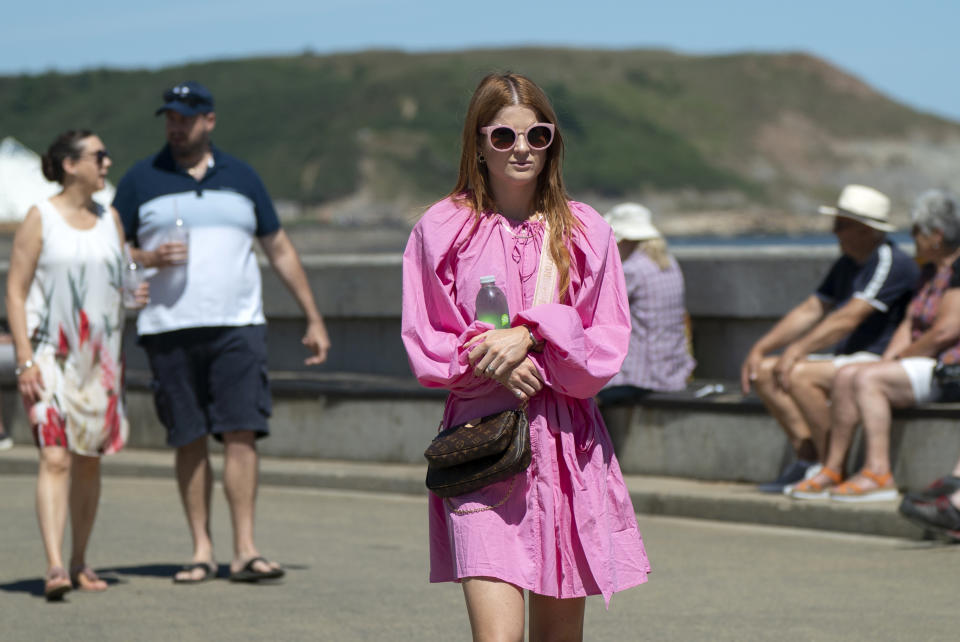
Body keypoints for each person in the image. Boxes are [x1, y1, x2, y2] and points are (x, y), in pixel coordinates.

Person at [402, 72, 650, 641]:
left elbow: (605, 342)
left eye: (537, 136)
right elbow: (426, 340)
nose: (521, 149)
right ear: (478, 143)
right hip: (484, 446)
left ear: (552, 142)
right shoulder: (441, 230)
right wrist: (491, 353)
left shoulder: (587, 230)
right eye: (503, 137)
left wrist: (531, 334)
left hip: (568, 452)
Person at [112, 81, 331, 584]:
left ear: (209, 120)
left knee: (241, 434)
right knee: (188, 437)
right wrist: (144, 259)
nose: (176, 125)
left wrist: (313, 317)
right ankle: (200, 550)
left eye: (186, 117)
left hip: (238, 325)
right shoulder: (140, 179)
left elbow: (279, 249)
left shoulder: (243, 177)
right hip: (169, 328)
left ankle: (246, 549)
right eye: (169, 116)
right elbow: (109, 247)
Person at [5, 130, 147, 600]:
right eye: (98, 156)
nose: (107, 163)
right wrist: (25, 360)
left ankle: (81, 559)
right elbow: (17, 291)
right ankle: (53, 565)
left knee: (89, 461)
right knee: (55, 456)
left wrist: (135, 294)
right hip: (50, 355)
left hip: (100, 361)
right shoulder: (39, 217)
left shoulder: (112, 219)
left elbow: (122, 280)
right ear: (70, 164)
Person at [740, 184, 918, 493]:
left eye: (840, 224)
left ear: (866, 230)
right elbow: (812, 309)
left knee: (797, 374)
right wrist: (761, 348)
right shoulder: (848, 263)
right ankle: (807, 457)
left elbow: (849, 317)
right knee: (765, 372)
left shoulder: (889, 260)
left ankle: (829, 465)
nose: (834, 232)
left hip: (875, 359)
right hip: (846, 359)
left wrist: (797, 349)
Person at [791, 190, 960, 502]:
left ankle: (878, 472)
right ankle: (833, 467)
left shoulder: (954, 271)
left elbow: (945, 332)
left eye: (916, 232)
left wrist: (899, 359)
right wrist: (890, 359)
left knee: (869, 378)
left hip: (945, 366)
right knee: (849, 375)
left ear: (936, 235)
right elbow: (909, 324)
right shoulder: (927, 273)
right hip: (920, 362)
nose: (912, 239)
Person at [598, 202, 695, 405]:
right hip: (673, 371)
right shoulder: (670, 263)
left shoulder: (633, 269)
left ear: (625, 239)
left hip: (642, 376)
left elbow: (600, 310)